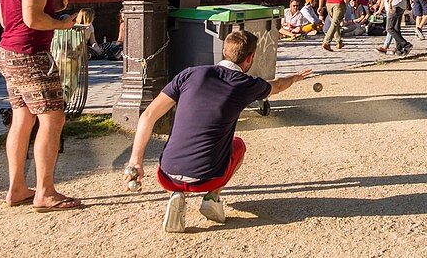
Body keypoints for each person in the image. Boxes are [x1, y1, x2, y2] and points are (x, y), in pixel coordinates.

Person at [126, 30, 312, 233]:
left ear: (224, 51)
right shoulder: (246, 85)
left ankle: (177, 194)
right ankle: (212, 197)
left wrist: (135, 161)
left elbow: (148, 116)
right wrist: (294, 78)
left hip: (167, 174)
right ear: (250, 58)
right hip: (207, 178)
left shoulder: (189, 74)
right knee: (238, 145)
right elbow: (277, 86)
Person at [0, 0, 79, 211]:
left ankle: (16, 187)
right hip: (31, 54)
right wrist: (64, 24)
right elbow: (33, 19)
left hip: (7, 52)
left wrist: (54, 5)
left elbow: (8, 19)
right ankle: (45, 192)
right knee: (53, 118)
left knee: (22, 118)